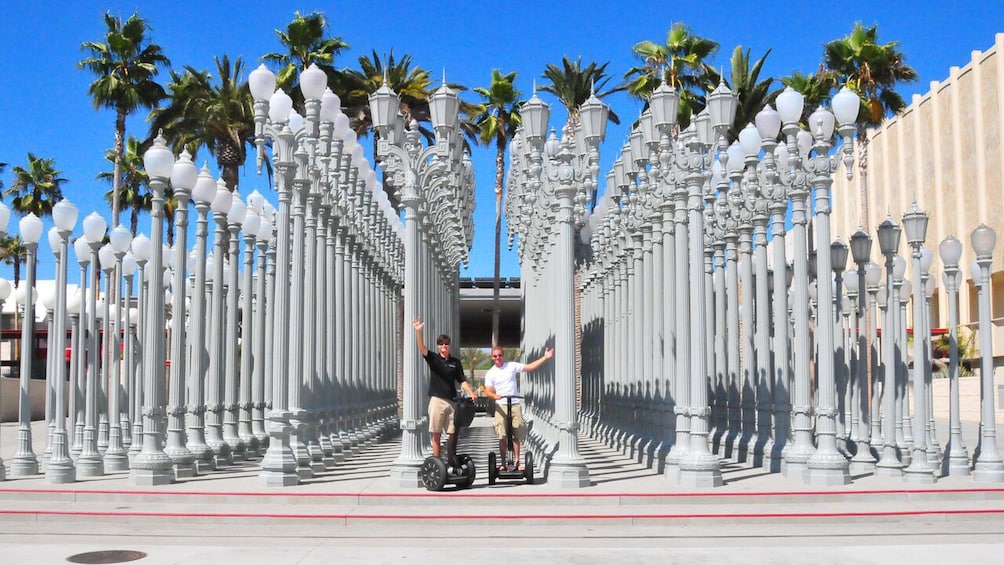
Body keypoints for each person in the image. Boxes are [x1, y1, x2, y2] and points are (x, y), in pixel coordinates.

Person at [413, 317, 477, 462]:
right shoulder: (434, 359)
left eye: (446, 344)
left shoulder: (455, 363)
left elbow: (462, 380)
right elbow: (422, 347)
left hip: (452, 402)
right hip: (437, 400)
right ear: (438, 346)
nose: (444, 346)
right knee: (436, 433)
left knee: (452, 433)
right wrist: (418, 331)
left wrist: (471, 392)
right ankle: (437, 461)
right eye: (441, 344)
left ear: (449, 346)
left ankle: (450, 459)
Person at [483, 346, 553, 470]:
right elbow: (487, 391)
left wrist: (545, 358)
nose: (498, 358)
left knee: (516, 434)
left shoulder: (511, 366)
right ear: (492, 357)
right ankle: (503, 463)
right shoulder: (490, 373)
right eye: (495, 356)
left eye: (500, 355)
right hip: (501, 405)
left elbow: (530, 367)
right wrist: (495, 396)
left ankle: (516, 462)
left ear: (503, 356)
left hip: (514, 403)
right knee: (502, 435)